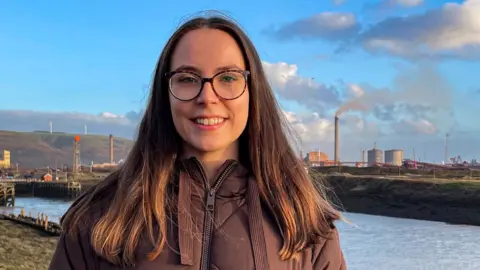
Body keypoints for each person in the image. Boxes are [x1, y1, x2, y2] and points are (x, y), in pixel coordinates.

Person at [49, 14, 346, 270]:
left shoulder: (306, 224)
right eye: (187, 78)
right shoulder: (100, 217)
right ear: (165, 93)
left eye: (228, 78)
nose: (207, 97)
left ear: (252, 91)